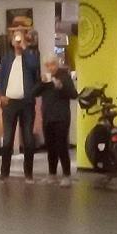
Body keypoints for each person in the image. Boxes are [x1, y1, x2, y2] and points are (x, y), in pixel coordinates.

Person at [0, 28, 41, 183]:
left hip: (26, 103)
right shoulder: (6, 58)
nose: (17, 41)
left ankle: (28, 174)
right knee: (8, 139)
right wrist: (1, 94)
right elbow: (1, 77)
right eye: (15, 38)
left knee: (28, 139)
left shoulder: (30, 56)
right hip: (9, 103)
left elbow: (34, 67)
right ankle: (4, 174)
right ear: (11, 41)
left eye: (20, 38)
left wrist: (25, 48)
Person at [38, 57, 77, 187]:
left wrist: (61, 87)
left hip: (61, 117)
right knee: (50, 147)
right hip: (48, 117)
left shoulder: (64, 77)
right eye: (48, 65)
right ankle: (52, 174)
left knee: (62, 146)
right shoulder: (46, 79)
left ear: (57, 64)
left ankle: (66, 175)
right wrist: (41, 83)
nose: (51, 67)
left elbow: (73, 94)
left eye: (52, 64)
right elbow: (34, 93)